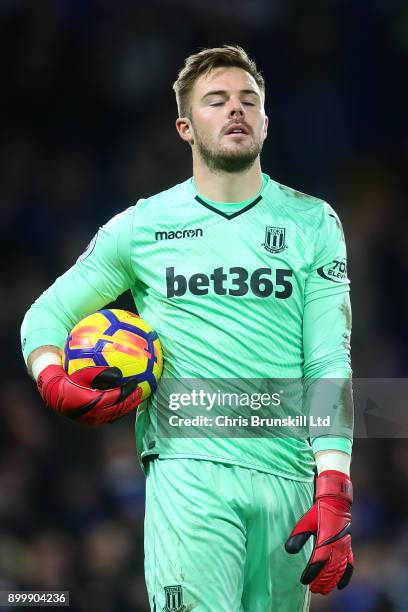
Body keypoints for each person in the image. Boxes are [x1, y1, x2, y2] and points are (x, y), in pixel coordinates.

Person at [21, 45, 354, 612]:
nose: (236, 110)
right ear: (184, 126)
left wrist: (335, 485)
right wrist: (53, 378)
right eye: (217, 100)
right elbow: (44, 317)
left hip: (289, 479)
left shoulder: (313, 222)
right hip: (188, 471)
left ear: (267, 121)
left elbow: (328, 360)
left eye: (250, 101)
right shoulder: (143, 227)